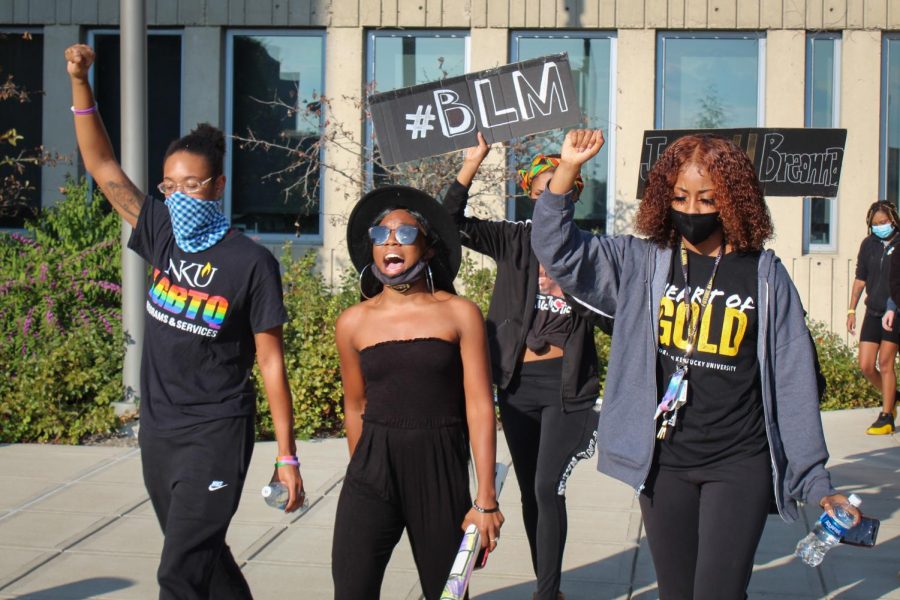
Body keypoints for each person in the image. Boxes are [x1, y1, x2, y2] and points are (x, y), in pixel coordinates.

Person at [530, 130, 861, 599]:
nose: (693, 210)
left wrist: (814, 481)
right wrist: (566, 170)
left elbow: (793, 381)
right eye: (681, 197)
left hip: (739, 461)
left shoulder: (765, 276)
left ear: (733, 201)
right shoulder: (641, 263)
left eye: (708, 199)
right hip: (664, 463)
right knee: (676, 593)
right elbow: (558, 249)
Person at [66, 44, 304, 599]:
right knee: (201, 558)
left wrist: (286, 455)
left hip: (216, 432)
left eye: (192, 185)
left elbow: (271, 362)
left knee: (178, 571)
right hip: (160, 431)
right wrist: (80, 82)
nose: (178, 197)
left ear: (218, 187)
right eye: (169, 186)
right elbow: (102, 167)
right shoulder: (160, 234)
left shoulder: (250, 263)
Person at [443, 133, 607, 600]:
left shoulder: (590, 251)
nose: (548, 200)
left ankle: (547, 593)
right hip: (517, 384)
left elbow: (619, 313)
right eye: (539, 193)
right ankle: (548, 587)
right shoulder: (513, 240)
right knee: (532, 494)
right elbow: (448, 224)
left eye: (560, 190)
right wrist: (471, 163)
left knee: (546, 485)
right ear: (530, 197)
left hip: (566, 385)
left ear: (573, 195)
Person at [331, 185, 504, 600]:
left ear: (426, 249)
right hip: (372, 471)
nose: (391, 241)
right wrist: (365, 468)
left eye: (406, 234)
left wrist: (485, 499)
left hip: (440, 467)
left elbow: (480, 406)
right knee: (351, 590)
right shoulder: (352, 322)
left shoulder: (459, 313)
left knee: (447, 594)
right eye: (380, 235)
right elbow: (354, 405)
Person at [848, 200, 900, 436]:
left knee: (886, 362)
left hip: (895, 312)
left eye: (884, 222)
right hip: (873, 311)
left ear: (893, 220)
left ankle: (887, 415)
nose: (880, 226)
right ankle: (893, 397)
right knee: (867, 365)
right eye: (875, 224)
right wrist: (851, 310)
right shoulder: (868, 244)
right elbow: (861, 278)